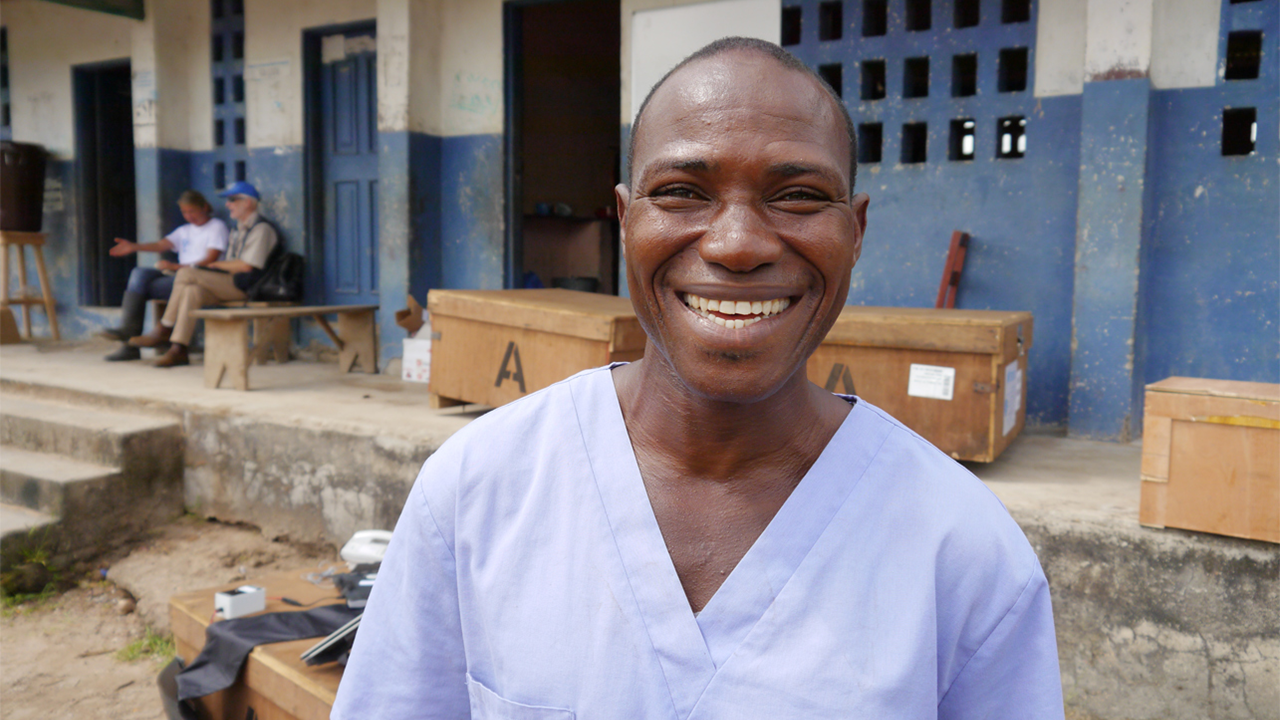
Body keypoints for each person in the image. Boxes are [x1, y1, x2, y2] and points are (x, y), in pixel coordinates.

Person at [332, 38, 1064, 719]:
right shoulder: (478, 490)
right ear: (627, 221)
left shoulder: (964, 551)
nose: (737, 245)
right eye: (682, 191)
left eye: (799, 196)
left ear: (856, 231)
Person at [128, 181, 278, 368]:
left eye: (232, 200)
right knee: (191, 291)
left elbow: (246, 266)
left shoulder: (261, 229)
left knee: (186, 274)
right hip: (232, 283)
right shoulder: (239, 229)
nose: (227, 205)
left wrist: (215, 265)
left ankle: (164, 327)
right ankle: (179, 349)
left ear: (247, 203)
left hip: (249, 288)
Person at [100, 190, 228, 361]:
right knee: (139, 273)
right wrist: (135, 247)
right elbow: (161, 245)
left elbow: (210, 259)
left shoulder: (216, 226)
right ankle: (128, 334)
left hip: (198, 279)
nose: (189, 216)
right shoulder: (184, 230)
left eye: (192, 211)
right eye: (184, 212)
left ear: (204, 207)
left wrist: (175, 266)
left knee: (145, 286)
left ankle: (131, 342)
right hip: (178, 277)